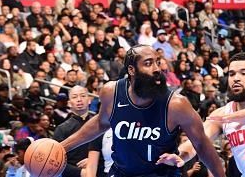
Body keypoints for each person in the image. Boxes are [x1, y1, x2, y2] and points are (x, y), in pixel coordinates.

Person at [61, 45, 224, 177]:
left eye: (157, 62)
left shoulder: (176, 104)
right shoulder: (111, 92)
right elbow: (100, 123)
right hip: (122, 173)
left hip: (162, 174)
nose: (156, 69)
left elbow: (202, 145)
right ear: (131, 70)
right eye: (148, 63)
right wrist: (62, 147)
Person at [53, 86, 93, 177]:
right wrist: (80, 173)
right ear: (69, 103)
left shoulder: (100, 125)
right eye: (74, 97)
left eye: (83, 96)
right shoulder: (61, 129)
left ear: (89, 100)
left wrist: (93, 161)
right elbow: (54, 161)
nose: (79, 100)